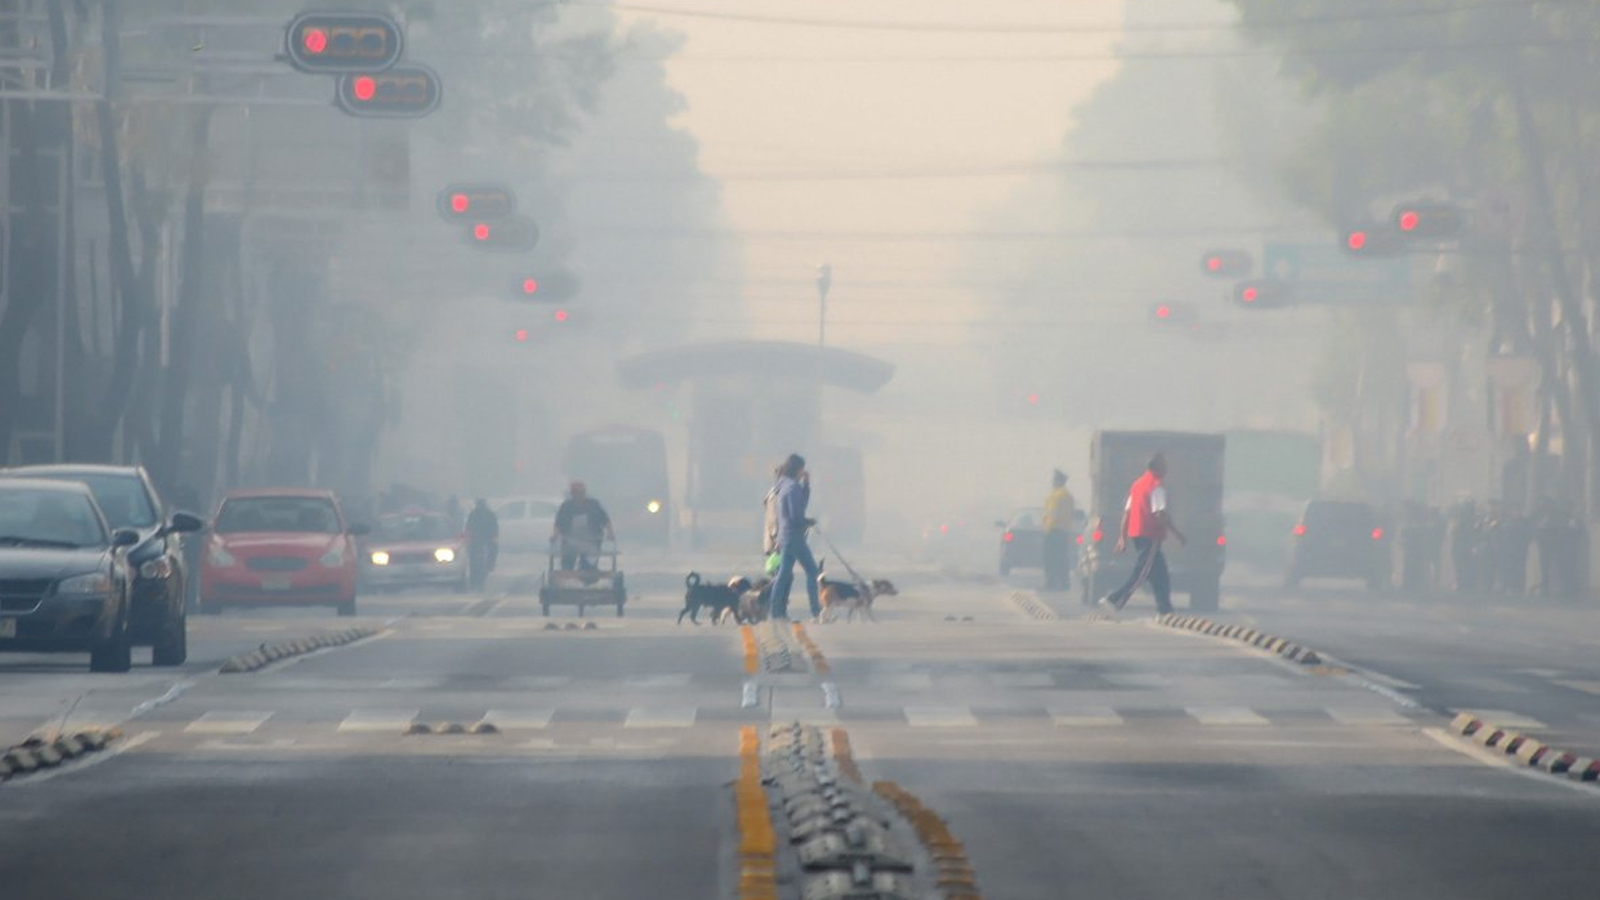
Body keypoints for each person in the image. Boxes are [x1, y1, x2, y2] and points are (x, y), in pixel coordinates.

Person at [1099, 453, 1187, 614]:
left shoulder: (1137, 484)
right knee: (1141, 573)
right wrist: (1177, 534)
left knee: (1161, 575)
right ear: (1158, 467)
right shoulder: (1156, 486)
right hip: (1150, 534)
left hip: (1136, 534)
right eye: (1165, 465)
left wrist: (1122, 537)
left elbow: (1127, 512)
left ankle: (1165, 609)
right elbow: (1160, 513)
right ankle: (1114, 600)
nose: (1167, 468)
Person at [768, 453, 821, 621]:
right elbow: (796, 515)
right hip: (794, 536)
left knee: (783, 574)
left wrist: (806, 485)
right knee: (813, 571)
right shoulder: (792, 488)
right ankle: (816, 611)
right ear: (798, 469)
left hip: (786, 536)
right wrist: (808, 521)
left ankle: (775, 612)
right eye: (802, 470)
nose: (803, 472)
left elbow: (800, 505)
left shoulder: (784, 485)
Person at [553, 481, 613, 571]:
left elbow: (606, 521)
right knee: (567, 566)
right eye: (576, 493)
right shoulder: (566, 506)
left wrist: (610, 533)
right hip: (570, 542)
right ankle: (566, 577)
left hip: (591, 542)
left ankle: (588, 572)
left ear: (584, 493)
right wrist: (554, 535)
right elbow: (558, 523)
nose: (579, 495)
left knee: (589, 568)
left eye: (581, 493)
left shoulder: (594, 505)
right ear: (572, 494)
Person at [1041, 469, 1076, 591]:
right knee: (1062, 558)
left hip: (1052, 531)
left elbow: (1052, 515)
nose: (1053, 482)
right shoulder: (1069, 496)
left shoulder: (1055, 496)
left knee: (1050, 558)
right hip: (1064, 531)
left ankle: (1050, 582)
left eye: (1054, 480)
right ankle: (1064, 582)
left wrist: (1047, 529)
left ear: (1058, 481)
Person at [464, 498, 499, 590]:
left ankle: (476, 580)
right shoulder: (488, 514)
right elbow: (495, 527)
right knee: (490, 555)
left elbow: (468, 527)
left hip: (480, 540)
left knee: (475, 560)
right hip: (483, 540)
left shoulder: (474, 514)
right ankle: (490, 566)